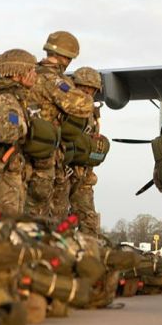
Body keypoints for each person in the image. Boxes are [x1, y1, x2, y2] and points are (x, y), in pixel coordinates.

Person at [27, 31, 93, 219]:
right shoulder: (53, 80)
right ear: (66, 57)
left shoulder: (28, 73)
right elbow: (82, 106)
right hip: (45, 154)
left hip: (19, 151)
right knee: (43, 213)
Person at [0, 50, 37, 214]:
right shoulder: (6, 98)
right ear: (18, 74)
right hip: (5, 169)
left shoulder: (15, 96)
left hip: (12, 169)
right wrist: (25, 128)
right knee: (5, 223)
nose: (34, 75)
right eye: (31, 71)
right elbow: (5, 133)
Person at [68, 67, 105, 234]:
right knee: (57, 216)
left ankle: (88, 256)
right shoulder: (64, 104)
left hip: (84, 173)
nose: (87, 92)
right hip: (63, 171)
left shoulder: (92, 112)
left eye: (90, 89)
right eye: (83, 88)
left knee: (88, 218)